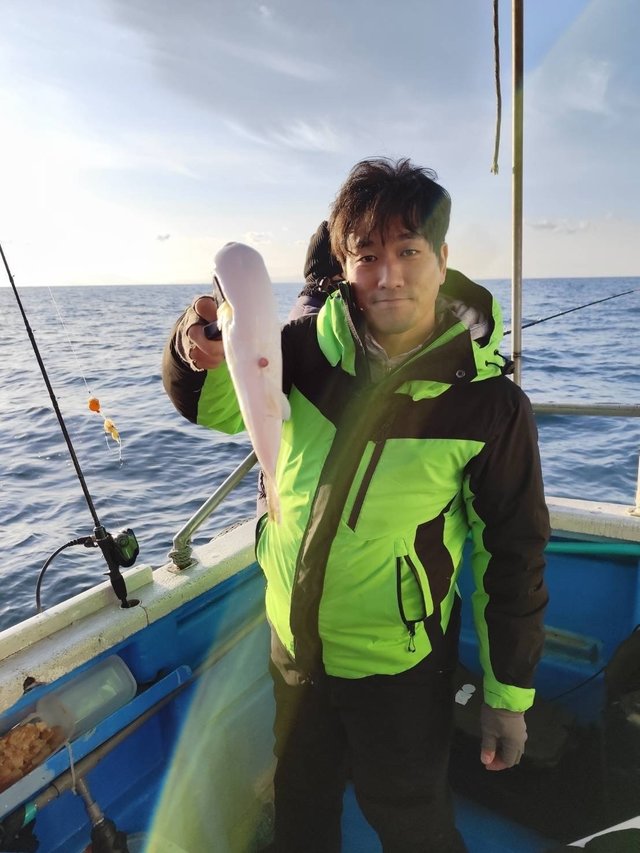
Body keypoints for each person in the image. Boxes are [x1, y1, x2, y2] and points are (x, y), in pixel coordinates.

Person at [162, 157, 550, 853]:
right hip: (293, 647)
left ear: (443, 259)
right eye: (367, 255)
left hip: (399, 667)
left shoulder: (488, 404)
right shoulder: (300, 352)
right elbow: (213, 405)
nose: (388, 274)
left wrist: (508, 698)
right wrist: (197, 345)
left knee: (412, 820)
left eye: (409, 251)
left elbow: (513, 556)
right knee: (300, 803)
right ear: (343, 265)